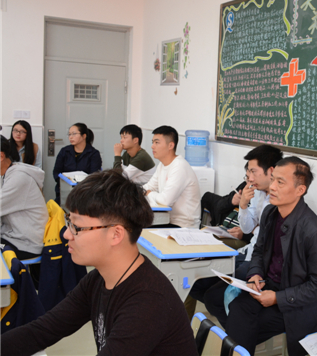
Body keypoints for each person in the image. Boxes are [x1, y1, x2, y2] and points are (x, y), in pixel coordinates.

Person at [0, 170, 197, 355]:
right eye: (69, 222)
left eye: (76, 226)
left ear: (116, 234)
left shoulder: (148, 303)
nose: (66, 234)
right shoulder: (97, 279)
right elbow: (43, 330)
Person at [225, 156, 317, 356]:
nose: (272, 187)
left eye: (280, 182)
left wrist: (278, 298)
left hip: (300, 306)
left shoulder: (314, 232)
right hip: (271, 288)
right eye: (272, 179)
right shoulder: (270, 213)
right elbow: (259, 250)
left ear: (300, 190)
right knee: (236, 307)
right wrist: (255, 274)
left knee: (241, 322)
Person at [199, 145, 283, 324]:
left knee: (213, 295)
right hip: (249, 252)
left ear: (271, 171)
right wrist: (243, 205)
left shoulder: (281, 200)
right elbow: (247, 229)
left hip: (260, 263)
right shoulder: (258, 192)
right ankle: (233, 327)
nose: (250, 178)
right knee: (199, 280)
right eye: (248, 173)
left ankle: (235, 332)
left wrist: (254, 227)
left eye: (253, 172)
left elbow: (266, 237)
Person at [143, 125, 201, 228]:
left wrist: (150, 194)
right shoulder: (162, 165)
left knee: (138, 230)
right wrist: (141, 192)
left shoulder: (179, 166)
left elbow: (165, 200)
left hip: (184, 226)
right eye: (152, 142)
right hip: (167, 220)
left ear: (170, 145)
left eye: (157, 142)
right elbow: (148, 187)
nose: (152, 146)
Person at [0, 135, 47, 261]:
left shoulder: (18, 178)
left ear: (1, 156)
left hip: (26, 243)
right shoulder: (8, 172)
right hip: (14, 233)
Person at [52, 122, 102, 204]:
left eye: (74, 134)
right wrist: (65, 183)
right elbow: (56, 172)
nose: (71, 137)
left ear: (84, 136)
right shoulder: (64, 151)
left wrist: (80, 187)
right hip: (65, 190)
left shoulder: (94, 154)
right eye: (69, 134)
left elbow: (94, 176)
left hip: (85, 192)